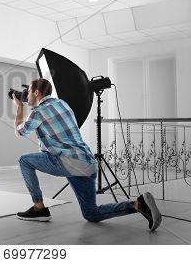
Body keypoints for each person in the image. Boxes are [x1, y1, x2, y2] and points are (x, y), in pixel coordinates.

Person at [12, 78, 162, 231]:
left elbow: (19, 132)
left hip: (67, 161)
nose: (26, 95)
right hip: (87, 162)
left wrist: (19, 107)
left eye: (29, 91)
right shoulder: (62, 104)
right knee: (91, 213)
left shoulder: (38, 112)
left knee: (24, 161)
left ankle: (39, 209)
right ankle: (138, 204)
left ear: (37, 92)